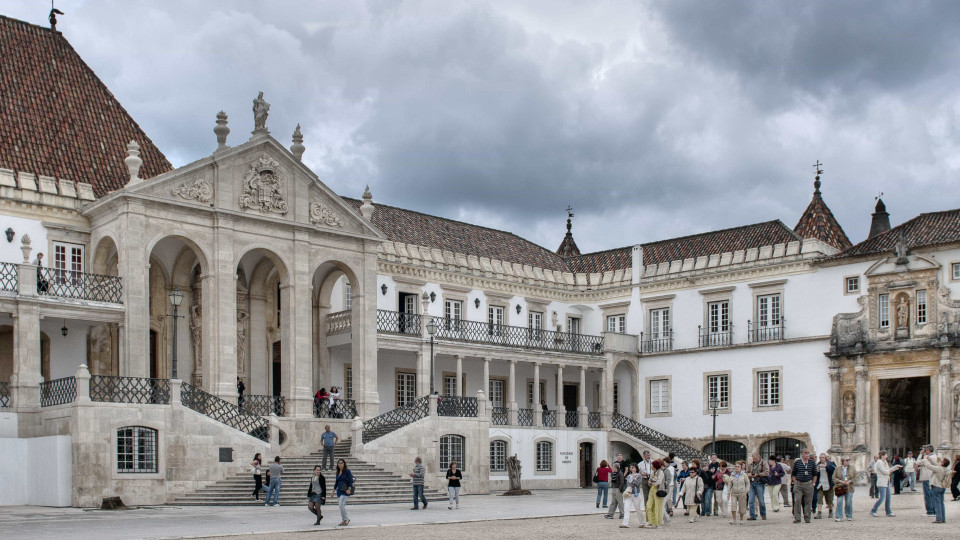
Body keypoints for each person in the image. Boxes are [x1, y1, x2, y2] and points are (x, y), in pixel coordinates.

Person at [919, 456, 953, 523]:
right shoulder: (945, 468)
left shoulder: (938, 469)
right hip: (942, 487)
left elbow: (929, 466)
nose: (939, 462)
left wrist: (925, 461)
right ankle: (942, 518)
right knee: (941, 503)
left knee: (937, 503)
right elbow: (937, 465)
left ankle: (939, 519)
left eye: (941, 461)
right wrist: (931, 459)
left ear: (942, 463)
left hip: (936, 486)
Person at [871, 450, 900, 517]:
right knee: (882, 498)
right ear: (883, 455)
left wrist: (895, 467)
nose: (887, 456)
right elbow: (885, 472)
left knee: (888, 497)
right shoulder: (879, 462)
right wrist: (893, 469)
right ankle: (873, 510)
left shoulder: (885, 462)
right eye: (886, 455)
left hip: (886, 482)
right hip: (881, 482)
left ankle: (888, 511)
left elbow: (888, 470)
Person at [791, 448, 817, 523]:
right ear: (802, 454)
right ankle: (797, 518)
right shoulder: (797, 462)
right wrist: (795, 482)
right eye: (806, 453)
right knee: (797, 500)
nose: (807, 454)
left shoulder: (812, 463)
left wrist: (813, 483)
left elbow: (815, 474)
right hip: (799, 484)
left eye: (808, 453)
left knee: (808, 502)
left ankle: (807, 517)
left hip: (808, 484)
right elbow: (793, 473)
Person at [832, 456, 856, 522]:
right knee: (839, 501)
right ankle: (839, 516)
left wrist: (850, 481)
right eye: (846, 460)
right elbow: (834, 478)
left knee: (848, 502)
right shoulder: (837, 469)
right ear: (843, 461)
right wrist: (840, 481)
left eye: (848, 460)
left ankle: (849, 515)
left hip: (849, 487)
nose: (848, 461)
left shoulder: (852, 468)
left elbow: (855, 477)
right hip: (840, 487)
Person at [746, 451, 768, 521]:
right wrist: (749, 474)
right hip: (752, 483)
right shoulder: (751, 464)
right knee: (751, 500)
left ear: (759, 457)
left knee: (761, 500)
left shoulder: (764, 463)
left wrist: (758, 474)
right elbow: (747, 471)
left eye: (755, 458)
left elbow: (767, 472)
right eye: (753, 458)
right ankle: (752, 515)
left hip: (759, 483)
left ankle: (763, 514)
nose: (754, 459)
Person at [644, 459, 666, 528]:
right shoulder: (652, 473)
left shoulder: (661, 472)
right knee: (648, 505)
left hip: (658, 491)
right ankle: (650, 521)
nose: (651, 466)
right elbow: (649, 481)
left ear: (655, 466)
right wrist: (652, 482)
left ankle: (657, 522)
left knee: (657, 507)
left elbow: (658, 482)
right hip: (652, 490)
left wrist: (652, 482)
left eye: (652, 465)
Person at [620, 463, 642, 528]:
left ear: (636, 468)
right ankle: (625, 523)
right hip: (629, 493)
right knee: (626, 508)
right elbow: (628, 485)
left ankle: (642, 522)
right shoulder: (629, 476)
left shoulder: (639, 476)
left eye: (632, 467)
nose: (631, 469)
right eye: (630, 467)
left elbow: (638, 484)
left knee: (638, 508)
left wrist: (635, 479)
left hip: (636, 494)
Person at [919, 445, 938, 517]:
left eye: (925, 450)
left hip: (927, 477)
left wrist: (920, 454)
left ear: (928, 450)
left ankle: (930, 511)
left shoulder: (928, 457)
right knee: (931, 494)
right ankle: (933, 510)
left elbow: (918, 462)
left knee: (927, 495)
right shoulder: (933, 456)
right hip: (930, 477)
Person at [814, 453, 835, 519]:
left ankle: (830, 511)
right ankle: (819, 512)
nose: (821, 459)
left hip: (828, 484)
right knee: (819, 498)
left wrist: (826, 467)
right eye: (820, 457)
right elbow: (815, 474)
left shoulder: (830, 463)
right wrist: (817, 471)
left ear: (825, 457)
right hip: (820, 484)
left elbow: (833, 470)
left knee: (829, 499)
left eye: (822, 457)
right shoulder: (818, 464)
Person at [334, 458, 354, 526]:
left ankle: (346, 519)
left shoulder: (347, 471)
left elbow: (351, 480)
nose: (340, 464)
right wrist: (333, 490)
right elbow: (336, 482)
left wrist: (349, 488)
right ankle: (344, 520)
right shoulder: (337, 472)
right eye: (339, 463)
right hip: (339, 491)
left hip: (345, 491)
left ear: (344, 464)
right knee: (341, 506)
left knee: (341, 505)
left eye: (341, 463)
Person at [729, 460, 749, 525]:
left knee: (742, 506)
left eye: (738, 466)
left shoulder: (744, 475)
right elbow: (729, 484)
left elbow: (747, 483)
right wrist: (728, 492)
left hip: (742, 492)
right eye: (736, 466)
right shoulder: (732, 475)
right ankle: (734, 519)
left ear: (741, 467)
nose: (737, 468)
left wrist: (746, 491)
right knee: (733, 505)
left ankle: (741, 519)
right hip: (734, 492)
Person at [636, 450, 653, 527]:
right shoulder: (640, 464)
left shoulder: (652, 462)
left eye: (649, 455)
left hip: (652, 479)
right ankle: (647, 512)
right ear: (644, 456)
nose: (648, 457)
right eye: (647, 456)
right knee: (646, 497)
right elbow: (637, 473)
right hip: (644, 479)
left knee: (652, 496)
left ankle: (652, 511)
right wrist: (641, 474)